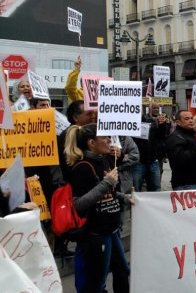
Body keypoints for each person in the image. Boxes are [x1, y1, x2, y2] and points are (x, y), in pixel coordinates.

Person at [63, 124, 132, 293]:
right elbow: (79, 204)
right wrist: (106, 183)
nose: (110, 140)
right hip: (96, 234)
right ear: (91, 143)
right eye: (105, 137)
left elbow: (111, 193)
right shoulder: (83, 167)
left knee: (122, 271)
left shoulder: (105, 160)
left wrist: (125, 198)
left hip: (111, 230)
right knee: (96, 282)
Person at [166, 110, 196, 190]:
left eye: (191, 118)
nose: (191, 121)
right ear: (178, 122)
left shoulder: (192, 135)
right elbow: (180, 159)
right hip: (186, 185)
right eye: (187, 119)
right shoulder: (175, 137)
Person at [132, 104, 168, 192]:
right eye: (154, 108)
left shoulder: (158, 120)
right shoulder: (140, 120)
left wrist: (162, 125)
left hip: (153, 159)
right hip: (140, 161)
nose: (155, 109)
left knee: (156, 188)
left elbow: (161, 136)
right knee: (136, 188)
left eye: (157, 108)